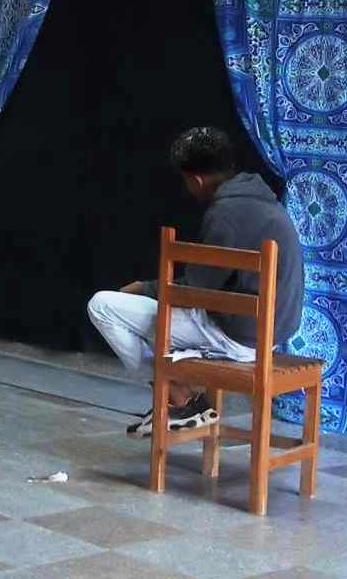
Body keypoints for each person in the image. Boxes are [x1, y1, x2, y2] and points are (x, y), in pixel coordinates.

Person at [87, 126, 304, 437]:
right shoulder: (265, 200)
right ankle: (179, 391)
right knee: (153, 323)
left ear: (196, 180)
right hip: (270, 334)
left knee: (103, 307)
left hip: (237, 338)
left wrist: (143, 288)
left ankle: (178, 394)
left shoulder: (225, 213)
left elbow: (193, 292)